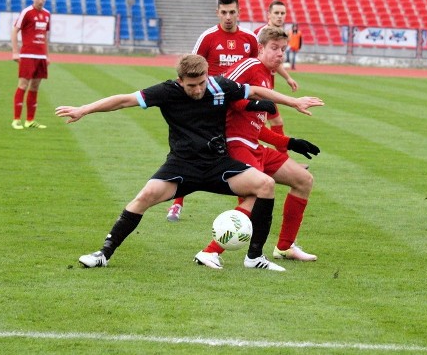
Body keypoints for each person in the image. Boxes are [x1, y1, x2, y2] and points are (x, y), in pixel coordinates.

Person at [55, 54, 324, 271]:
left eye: (201, 83)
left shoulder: (219, 86)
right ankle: (104, 253)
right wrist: (84, 109)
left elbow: (254, 90)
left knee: (265, 185)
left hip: (218, 165)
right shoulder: (166, 92)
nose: (197, 90)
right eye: (191, 85)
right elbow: (124, 100)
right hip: (181, 166)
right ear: (179, 80)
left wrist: (294, 102)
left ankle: (254, 258)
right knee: (145, 196)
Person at [194, 27, 320, 269]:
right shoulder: (249, 65)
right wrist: (251, 105)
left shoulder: (268, 76)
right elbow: (221, 93)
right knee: (255, 194)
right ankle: (210, 252)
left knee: (303, 180)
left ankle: (284, 247)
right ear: (260, 48)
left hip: (254, 144)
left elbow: (255, 125)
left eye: (283, 49)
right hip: (235, 143)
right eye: (274, 48)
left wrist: (289, 142)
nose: (280, 54)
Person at [167, 0, 259, 221]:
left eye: (232, 12)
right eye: (224, 12)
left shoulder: (249, 39)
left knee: (242, 150)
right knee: (192, 150)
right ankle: (177, 203)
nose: (228, 17)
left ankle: (246, 205)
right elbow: (189, 67)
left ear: (239, 12)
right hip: (209, 104)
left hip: (237, 105)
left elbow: (255, 68)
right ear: (217, 12)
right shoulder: (208, 37)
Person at [254, 1, 299, 153]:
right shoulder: (260, 34)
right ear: (269, 15)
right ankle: (267, 160)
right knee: (259, 125)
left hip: (268, 85)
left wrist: (287, 78)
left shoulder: (278, 34)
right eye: (276, 13)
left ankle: (282, 160)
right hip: (259, 86)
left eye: (282, 13)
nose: (280, 16)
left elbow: (274, 61)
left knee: (275, 121)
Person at [11, 0, 50, 130]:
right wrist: (15, 52)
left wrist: (47, 55)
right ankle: (16, 120)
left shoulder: (47, 14)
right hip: (27, 55)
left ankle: (30, 120)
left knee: (35, 87)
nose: (40, 1)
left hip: (40, 56)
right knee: (23, 85)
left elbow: (45, 36)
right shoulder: (26, 12)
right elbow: (15, 30)